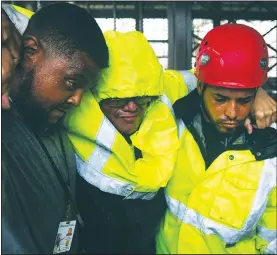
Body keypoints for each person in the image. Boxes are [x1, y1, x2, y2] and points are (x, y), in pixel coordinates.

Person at [156, 24, 277, 254]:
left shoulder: (270, 154)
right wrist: (253, 88)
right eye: (220, 99)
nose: (232, 113)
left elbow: (272, 241)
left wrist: (255, 88)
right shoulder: (176, 119)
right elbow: (147, 81)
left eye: (244, 101)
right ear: (200, 86)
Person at [1, 3, 109, 254]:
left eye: (85, 90)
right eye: (72, 82)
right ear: (30, 50)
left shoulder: (54, 124)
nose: (77, 100)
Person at [64, 30, 180, 254]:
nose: (131, 108)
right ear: (95, 95)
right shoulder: (66, 133)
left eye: (141, 97)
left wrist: (256, 95)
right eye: (118, 99)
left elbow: (198, 81)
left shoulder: (163, 113)